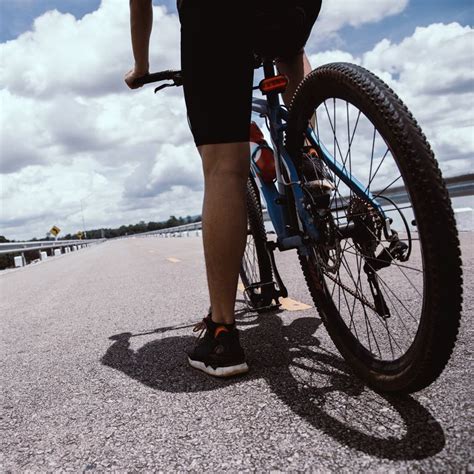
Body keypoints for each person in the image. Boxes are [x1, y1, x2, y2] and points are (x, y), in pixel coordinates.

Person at [125, 0, 322, 377]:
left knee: (224, 168)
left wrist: (141, 68)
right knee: (290, 48)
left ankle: (222, 333)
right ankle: (308, 151)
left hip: (217, 14)